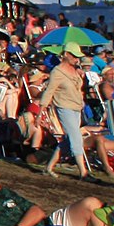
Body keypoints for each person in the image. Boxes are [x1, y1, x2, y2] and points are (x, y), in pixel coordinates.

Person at [41, 46, 93, 179]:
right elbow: (49, 91)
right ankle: (83, 172)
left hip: (76, 107)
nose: (77, 59)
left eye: (77, 56)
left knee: (69, 139)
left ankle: (49, 167)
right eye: (74, 56)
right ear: (65, 54)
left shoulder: (75, 71)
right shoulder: (57, 72)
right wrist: (42, 109)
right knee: (76, 137)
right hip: (64, 107)